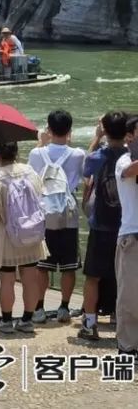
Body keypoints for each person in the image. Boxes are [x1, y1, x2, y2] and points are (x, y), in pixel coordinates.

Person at [27, 110, 85, 324]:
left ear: (48, 129)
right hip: (68, 215)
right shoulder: (78, 154)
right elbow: (83, 174)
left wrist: (39, 143)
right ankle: (64, 308)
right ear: (69, 131)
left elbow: (30, 179)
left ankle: (39, 308)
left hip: (44, 214)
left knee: (42, 265)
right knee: (69, 266)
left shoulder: (36, 154)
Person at [78, 111, 129, 341]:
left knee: (92, 277)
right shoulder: (130, 157)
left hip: (100, 225)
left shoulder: (99, 156)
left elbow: (85, 170)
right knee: (123, 276)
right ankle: (120, 319)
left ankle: (90, 323)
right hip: (126, 225)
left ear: (106, 131)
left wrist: (96, 138)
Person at [0, 140, 47, 333]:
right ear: (16, 152)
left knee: (7, 280)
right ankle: (27, 320)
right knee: (30, 277)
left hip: (6, 235)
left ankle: (6, 321)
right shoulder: (30, 171)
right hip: (31, 231)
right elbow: (40, 197)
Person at [115, 132, 138, 354]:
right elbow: (131, 171)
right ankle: (127, 347)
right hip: (132, 235)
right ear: (130, 136)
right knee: (130, 295)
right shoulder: (124, 159)